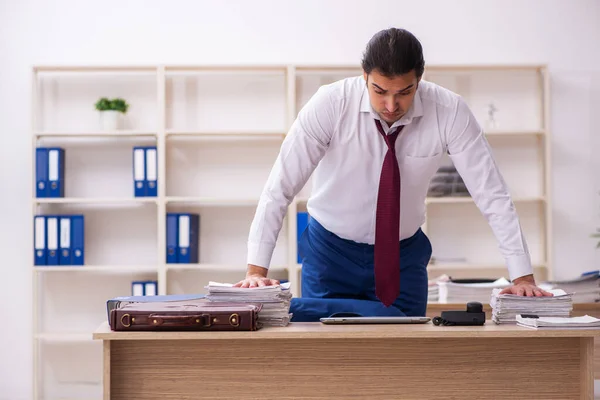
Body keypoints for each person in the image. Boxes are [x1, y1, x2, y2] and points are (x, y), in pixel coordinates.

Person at [235, 28, 552, 321]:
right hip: (330, 254)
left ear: (419, 80)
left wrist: (522, 276)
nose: (390, 105)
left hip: (402, 256)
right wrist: (255, 271)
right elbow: (279, 190)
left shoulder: (449, 111)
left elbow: (491, 193)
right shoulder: (330, 104)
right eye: (379, 90)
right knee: (329, 360)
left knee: (405, 356)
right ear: (364, 76)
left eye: (404, 92)